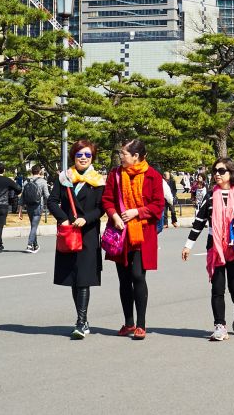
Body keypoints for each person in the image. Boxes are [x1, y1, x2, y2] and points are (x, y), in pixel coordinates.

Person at [183, 158, 234, 341]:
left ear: (231, 173)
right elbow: (199, 222)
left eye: (222, 171)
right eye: (215, 171)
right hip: (215, 247)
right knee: (217, 288)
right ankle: (219, 326)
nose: (217, 174)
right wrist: (188, 245)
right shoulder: (209, 196)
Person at [103, 139, 165, 340]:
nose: (121, 156)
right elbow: (107, 199)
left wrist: (137, 212)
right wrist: (114, 216)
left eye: (124, 153)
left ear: (136, 156)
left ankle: (141, 324)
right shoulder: (115, 174)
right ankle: (128, 322)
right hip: (120, 233)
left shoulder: (152, 176)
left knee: (138, 275)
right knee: (123, 279)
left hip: (142, 233)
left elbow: (158, 205)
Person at [47, 141, 105, 339]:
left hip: (88, 234)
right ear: (73, 155)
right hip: (69, 233)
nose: (83, 158)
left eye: (87, 155)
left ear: (92, 158)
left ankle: (81, 322)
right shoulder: (64, 178)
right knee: (74, 279)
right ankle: (83, 320)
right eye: (80, 154)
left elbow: (101, 208)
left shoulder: (98, 180)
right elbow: (52, 201)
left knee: (83, 280)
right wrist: (63, 219)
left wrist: (86, 218)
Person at [0, 164, 21, 253]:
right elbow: (18, 189)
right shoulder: (7, 180)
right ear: (4, 170)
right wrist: (11, 191)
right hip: (3, 205)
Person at [21, 164, 50, 253]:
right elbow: (47, 195)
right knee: (34, 226)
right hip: (38, 206)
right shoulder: (43, 181)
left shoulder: (26, 181)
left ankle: (35, 245)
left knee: (33, 225)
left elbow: (22, 196)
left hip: (29, 206)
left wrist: (20, 209)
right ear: (40, 172)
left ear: (32, 172)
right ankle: (29, 245)